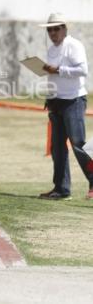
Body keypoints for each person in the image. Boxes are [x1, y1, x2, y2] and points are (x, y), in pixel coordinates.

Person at [38, 12, 93, 200]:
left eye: (56, 29)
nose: (52, 33)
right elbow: (52, 75)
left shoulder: (74, 45)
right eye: (49, 30)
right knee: (57, 148)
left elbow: (82, 70)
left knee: (78, 145)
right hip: (56, 102)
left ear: (64, 29)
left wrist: (58, 70)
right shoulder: (52, 49)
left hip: (73, 101)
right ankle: (61, 189)